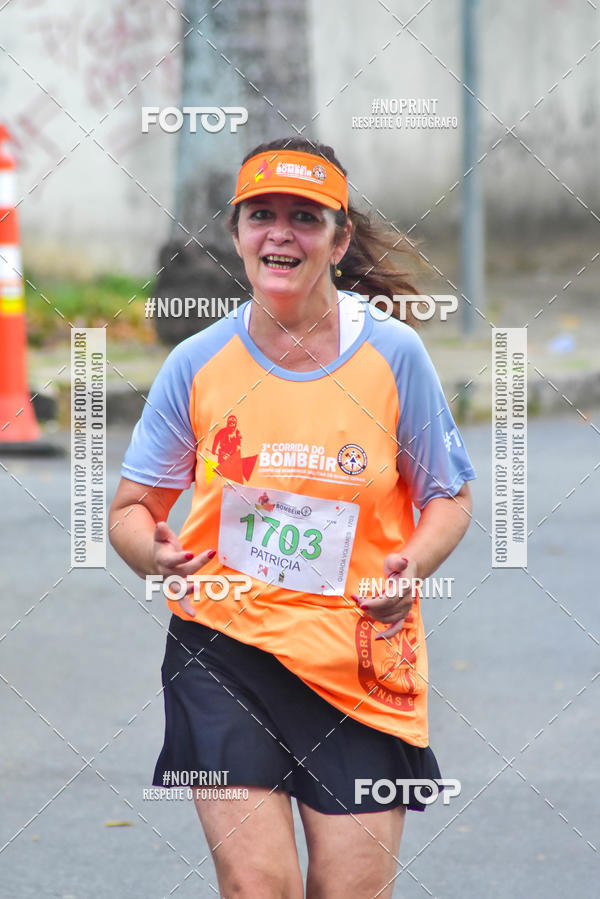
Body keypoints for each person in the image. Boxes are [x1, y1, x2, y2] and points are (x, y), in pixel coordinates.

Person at [109, 137, 476, 898]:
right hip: (224, 649)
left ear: (339, 241)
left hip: (358, 657)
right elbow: (132, 511)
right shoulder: (197, 362)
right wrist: (154, 554)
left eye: (305, 217)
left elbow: (449, 494)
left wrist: (413, 565)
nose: (281, 233)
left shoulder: (394, 355)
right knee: (257, 887)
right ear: (238, 233)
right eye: (262, 215)